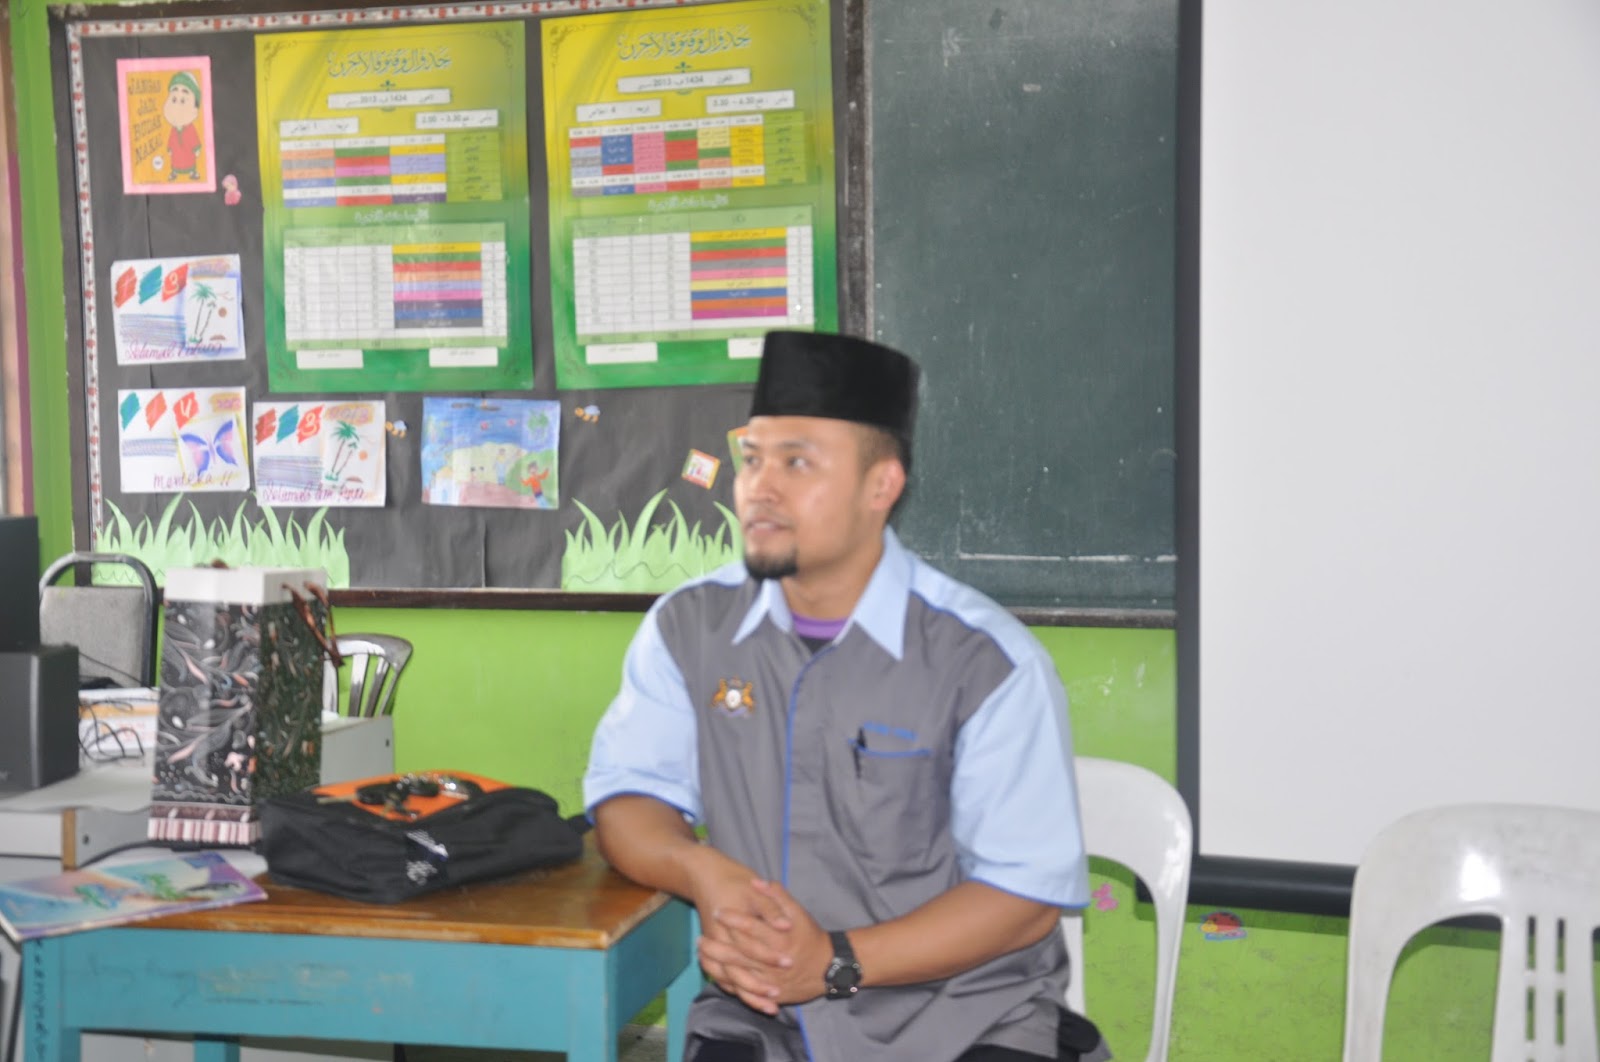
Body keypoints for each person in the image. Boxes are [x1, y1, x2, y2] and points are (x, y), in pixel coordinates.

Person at [584, 331, 1103, 1062]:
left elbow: (1023, 901)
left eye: (797, 462)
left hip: (962, 1021)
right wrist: (705, 871)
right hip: (763, 1019)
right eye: (753, 458)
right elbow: (628, 800)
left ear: (880, 486)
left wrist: (832, 961)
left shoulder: (985, 661)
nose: (760, 487)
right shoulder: (689, 628)